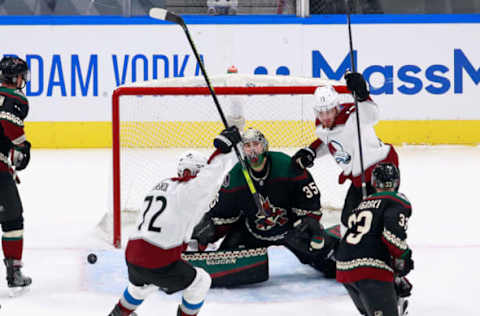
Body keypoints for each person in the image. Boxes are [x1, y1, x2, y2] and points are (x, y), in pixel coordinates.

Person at [108, 127, 241, 316]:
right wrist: (224, 149)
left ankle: (118, 313)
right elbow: (211, 175)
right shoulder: (189, 193)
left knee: (142, 286)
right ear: (197, 172)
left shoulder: (161, 185)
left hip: (132, 256)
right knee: (201, 281)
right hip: (158, 259)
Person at [192, 127, 337, 278]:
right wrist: (207, 232)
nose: (252, 150)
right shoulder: (235, 176)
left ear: (264, 146)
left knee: (332, 266)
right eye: (247, 146)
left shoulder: (285, 165)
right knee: (223, 262)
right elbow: (222, 213)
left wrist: (310, 221)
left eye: (256, 144)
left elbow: (308, 197)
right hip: (252, 232)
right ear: (243, 150)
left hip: (291, 230)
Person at [292, 72, 399, 230]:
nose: (326, 116)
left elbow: (372, 116)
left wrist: (362, 95)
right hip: (358, 177)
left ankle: (387, 249)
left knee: (379, 217)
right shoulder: (322, 126)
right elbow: (328, 140)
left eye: (329, 111)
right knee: (347, 220)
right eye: (321, 113)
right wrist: (311, 151)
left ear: (337, 107)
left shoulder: (353, 115)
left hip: (381, 169)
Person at [335, 162, 413, 316]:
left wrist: (395, 277)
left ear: (374, 183)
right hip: (370, 270)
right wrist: (405, 256)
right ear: (397, 182)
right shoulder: (397, 200)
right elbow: (392, 237)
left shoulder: (364, 203)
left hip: (344, 268)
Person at [0, 56, 32, 292]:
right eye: (21, 75)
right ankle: (14, 273)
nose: (23, 80)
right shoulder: (16, 98)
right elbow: (7, 123)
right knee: (13, 217)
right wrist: (22, 146)